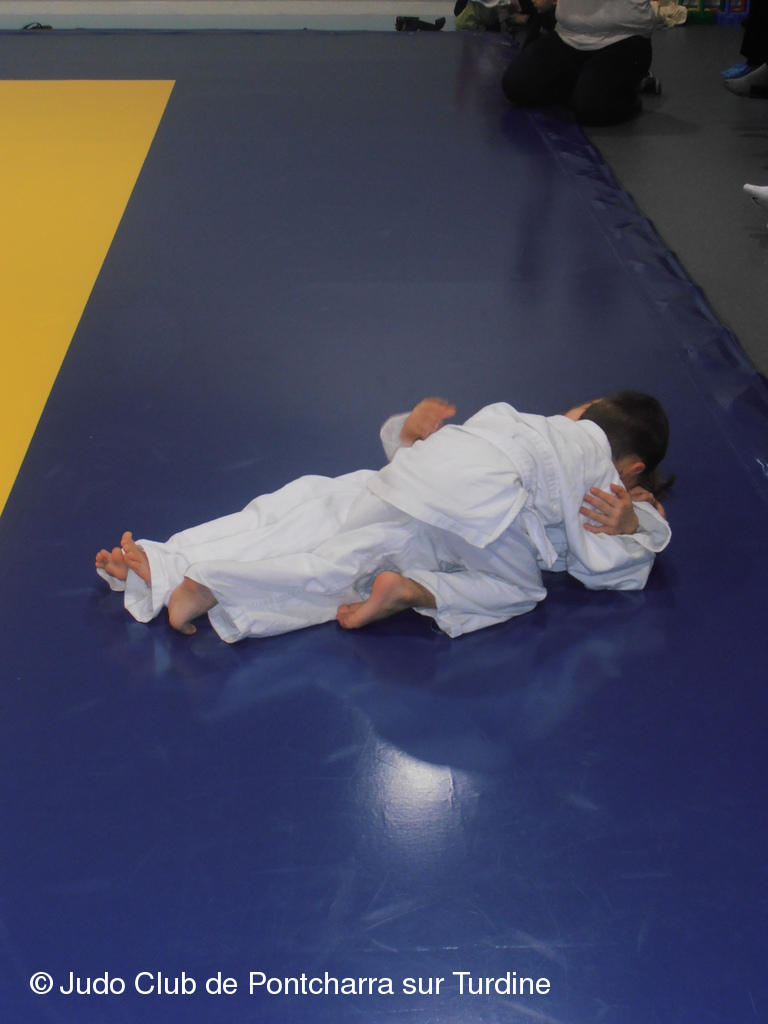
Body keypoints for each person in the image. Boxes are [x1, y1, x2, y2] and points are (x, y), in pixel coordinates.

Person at [95, 392, 671, 642]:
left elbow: (442, 465)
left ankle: (165, 563)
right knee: (517, 591)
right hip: (475, 518)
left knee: (300, 511)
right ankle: (410, 590)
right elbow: (603, 567)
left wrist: (408, 433)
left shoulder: (522, 424)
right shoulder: (600, 477)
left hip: (409, 480)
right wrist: (635, 531)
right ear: (634, 468)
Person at [501, 0, 655, 125]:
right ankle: (589, 84)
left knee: (589, 109)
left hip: (623, 37)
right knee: (515, 86)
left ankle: (625, 92)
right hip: (568, 35)